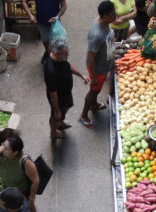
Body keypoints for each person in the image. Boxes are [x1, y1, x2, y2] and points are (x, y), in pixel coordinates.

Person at [78, 1, 117, 129]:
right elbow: (90, 57)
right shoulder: (96, 35)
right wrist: (94, 76)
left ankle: (94, 105)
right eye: (113, 14)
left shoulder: (105, 22)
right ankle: (83, 115)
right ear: (105, 16)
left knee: (97, 90)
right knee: (94, 91)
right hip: (98, 69)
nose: (115, 15)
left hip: (104, 64)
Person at [44, 37, 90, 139]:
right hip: (57, 97)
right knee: (55, 116)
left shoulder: (61, 58)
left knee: (66, 107)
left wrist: (82, 75)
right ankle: (53, 132)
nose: (67, 55)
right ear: (55, 53)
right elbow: (53, 93)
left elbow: (68, 65)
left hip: (65, 92)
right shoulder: (51, 71)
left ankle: (60, 122)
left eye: (67, 51)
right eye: (64, 53)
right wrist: (56, 110)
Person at [22, 0, 67, 64]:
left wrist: (57, 17)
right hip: (41, 22)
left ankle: (54, 57)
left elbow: (64, 6)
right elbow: (24, 2)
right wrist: (30, 16)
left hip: (55, 24)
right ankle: (47, 52)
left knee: (56, 43)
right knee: (45, 39)